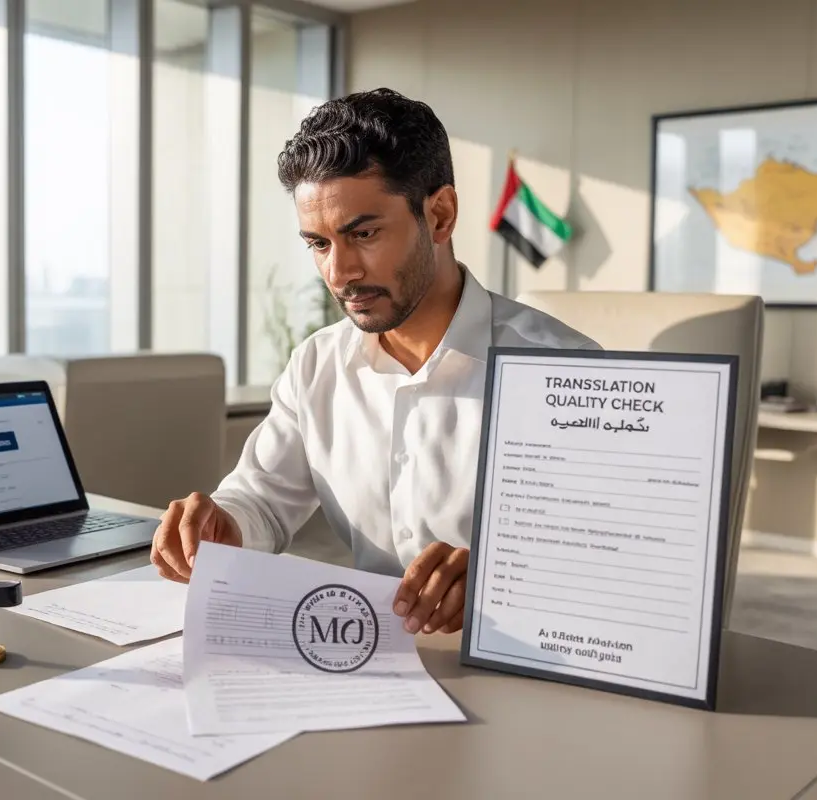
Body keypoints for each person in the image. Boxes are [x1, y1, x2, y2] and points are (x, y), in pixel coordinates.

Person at [150, 87, 599, 636]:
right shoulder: (317, 364)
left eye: (362, 234)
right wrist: (224, 525)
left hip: (527, 666)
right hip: (373, 658)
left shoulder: (570, 375)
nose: (339, 273)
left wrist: (499, 584)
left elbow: (611, 565)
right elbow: (261, 500)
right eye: (317, 243)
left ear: (439, 215)